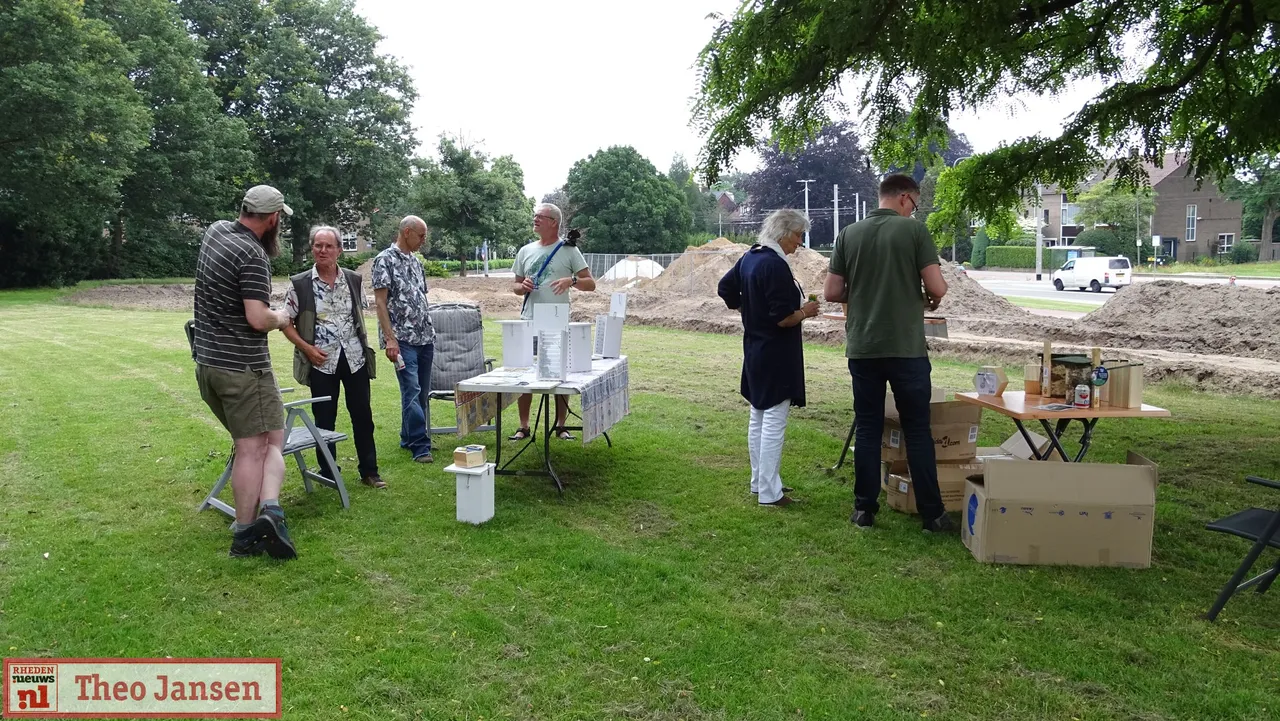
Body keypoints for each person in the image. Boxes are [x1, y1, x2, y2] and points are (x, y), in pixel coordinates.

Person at [823, 173, 952, 532]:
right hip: (906, 348)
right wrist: (931, 295)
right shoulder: (914, 232)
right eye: (915, 204)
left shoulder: (849, 234)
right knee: (917, 429)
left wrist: (863, 290)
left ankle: (864, 510)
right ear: (905, 198)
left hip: (863, 346)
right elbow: (937, 285)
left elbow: (832, 291)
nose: (914, 210)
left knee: (867, 428)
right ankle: (932, 515)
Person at [193, 185, 297, 559]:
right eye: (279, 218)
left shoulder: (216, 231)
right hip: (242, 368)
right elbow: (257, 318)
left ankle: (271, 510)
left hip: (208, 364)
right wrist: (281, 316)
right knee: (252, 449)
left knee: (273, 438)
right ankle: (245, 535)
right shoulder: (253, 254)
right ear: (272, 219)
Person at [718, 210, 821, 508]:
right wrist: (805, 312)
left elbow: (725, 288)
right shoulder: (775, 265)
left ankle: (759, 483)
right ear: (782, 232)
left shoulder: (750, 256)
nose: (800, 243)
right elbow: (783, 319)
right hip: (777, 353)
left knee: (758, 417)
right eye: (798, 235)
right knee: (773, 420)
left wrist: (747, 309)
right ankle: (769, 492)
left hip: (754, 348)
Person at [282, 226, 384, 489]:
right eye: (318, 246)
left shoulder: (353, 279)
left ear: (339, 250)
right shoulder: (300, 284)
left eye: (329, 246)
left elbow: (357, 317)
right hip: (321, 361)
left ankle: (370, 472)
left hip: (355, 359)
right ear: (312, 248)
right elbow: (285, 323)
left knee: (363, 416)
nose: (323, 251)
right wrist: (307, 348)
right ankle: (328, 472)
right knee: (324, 420)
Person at [509, 203, 596, 441]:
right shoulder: (525, 250)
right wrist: (522, 286)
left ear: (553, 222)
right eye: (535, 216)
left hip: (557, 323)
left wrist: (572, 280)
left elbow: (591, 283)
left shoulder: (568, 250)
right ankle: (524, 426)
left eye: (540, 216)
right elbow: (516, 287)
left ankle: (561, 425)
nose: (535, 219)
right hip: (529, 321)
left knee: (559, 374)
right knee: (525, 373)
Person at [372, 216, 436, 463]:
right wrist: (390, 339)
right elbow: (380, 303)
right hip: (402, 340)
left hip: (425, 337)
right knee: (411, 390)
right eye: (421, 235)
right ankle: (421, 446)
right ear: (407, 232)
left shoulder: (417, 263)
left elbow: (420, 298)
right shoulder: (383, 261)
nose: (424, 240)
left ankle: (407, 437)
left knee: (421, 393)